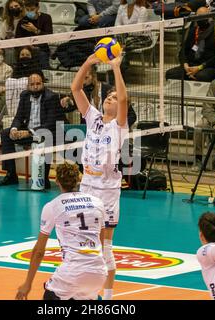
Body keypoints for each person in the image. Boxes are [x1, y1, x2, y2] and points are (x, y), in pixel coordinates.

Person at [71, 51, 128, 300]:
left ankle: (107, 296)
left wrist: (116, 67)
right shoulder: (93, 117)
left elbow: (124, 98)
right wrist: (88, 62)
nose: (110, 98)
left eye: (113, 98)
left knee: (105, 247)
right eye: (108, 95)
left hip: (106, 191)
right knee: (83, 241)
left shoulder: (119, 126)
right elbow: (75, 89)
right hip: (87, 186)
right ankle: (83, 290)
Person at [16, 163, 107, 300]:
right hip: (99, 271)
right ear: (79, 179)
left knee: (50, 295)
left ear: (56, 180)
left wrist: (27, 283)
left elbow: (39, 252)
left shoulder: (53, 206)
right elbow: (101, 243)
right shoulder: (98, 203)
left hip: (73, 270)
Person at [0, 71, 66, 188]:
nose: (35, 87)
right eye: (32, 84)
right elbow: (19, 116)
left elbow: (50, 123)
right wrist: (14, 129)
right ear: (28, 86)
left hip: (49, 133)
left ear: (43, 83)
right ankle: (11, 174)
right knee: (5, 134)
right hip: (29, 133)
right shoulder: (24, 95)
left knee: (46, 136)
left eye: (38, 84)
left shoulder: (51, 97)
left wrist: (28, 132)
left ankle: (43, 178)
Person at [165, 7, 215, 82]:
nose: (200, 19)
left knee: (201, 76)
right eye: (198, 16)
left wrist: (199, 68)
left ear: (209, 17)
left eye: (203, 16)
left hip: (206, 67)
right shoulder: (193, 31)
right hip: (190, 66)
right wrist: (185, 65)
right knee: (170, 74)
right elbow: (183, 51)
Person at [15, 0, 53, 69]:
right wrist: (27, 46)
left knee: (41, 54)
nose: (29, 12)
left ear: (38, 8)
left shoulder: (46, 18)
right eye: (27, 10)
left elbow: (49, 37)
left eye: (32, 9)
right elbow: (17, 40)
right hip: (25, 49)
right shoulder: (22, 21)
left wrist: (35, 30)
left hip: (41, 49)